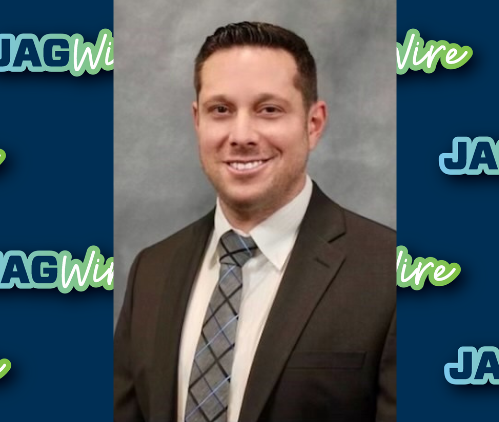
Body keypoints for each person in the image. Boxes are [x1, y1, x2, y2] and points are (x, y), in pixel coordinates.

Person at [114, 21, 396, 422]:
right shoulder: (151, 271)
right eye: (221, 110)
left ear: (313, 124)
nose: (241, 134)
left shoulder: (389, 272)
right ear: (198, 120)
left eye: (268, 110)